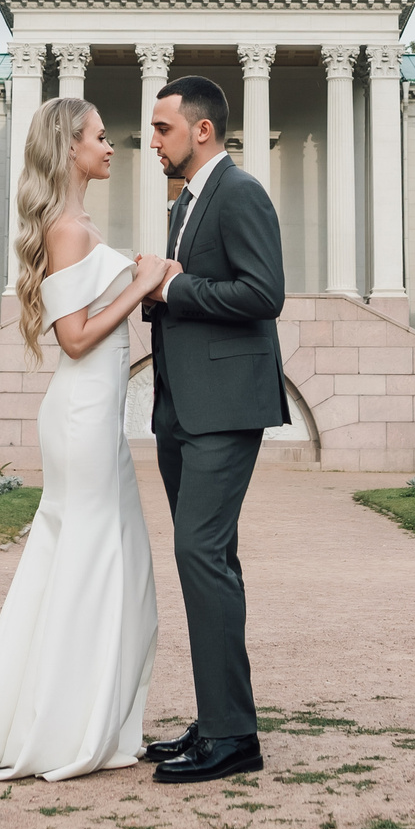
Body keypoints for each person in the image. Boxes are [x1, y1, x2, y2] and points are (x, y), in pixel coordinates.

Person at [0, 98, 165, 783]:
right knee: (92, 568)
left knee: (111, 571)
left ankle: (83, 718)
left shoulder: (79, 225)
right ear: (70, 147)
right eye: (99, 136)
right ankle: (63, 728)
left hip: (93, 415)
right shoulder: (68, 230)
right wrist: (140, 284)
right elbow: (73, 338)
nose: (110, 145)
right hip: (81, 415)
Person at [136, 74, 287, 785]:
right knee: (208, 558)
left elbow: (263, 292)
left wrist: (171, 287)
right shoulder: (187, 201)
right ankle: (220, 717)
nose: (152, 141)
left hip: (224, 406)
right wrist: (149, 290)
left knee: (200, 553)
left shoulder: (240, 191)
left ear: (202, 129)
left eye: (162, 128)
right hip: (183, 407)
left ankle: (233, 737)